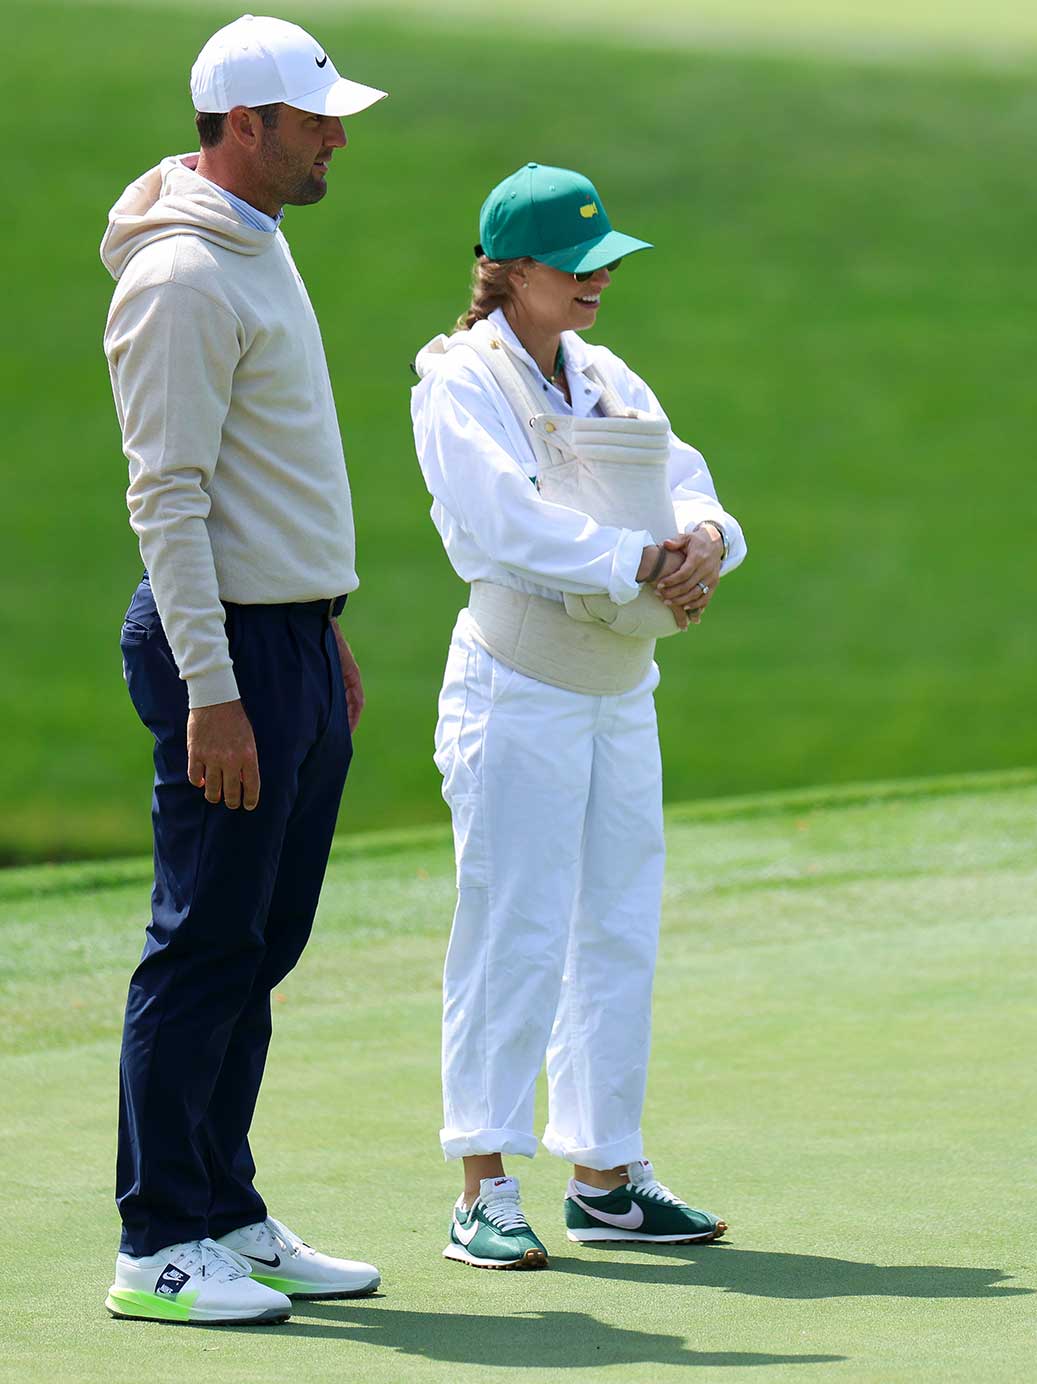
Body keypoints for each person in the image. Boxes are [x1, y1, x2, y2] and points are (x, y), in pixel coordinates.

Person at [99, 15, 387, 1325]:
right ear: (244, 126)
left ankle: (226, 1208)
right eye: (316, 120)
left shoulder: (259, 245)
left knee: (262, 941)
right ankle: (157, 1242)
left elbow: (268, 482)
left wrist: (319, 635)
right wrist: (217, 690)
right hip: (220, 650)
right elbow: (167, 500)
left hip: (288, 641)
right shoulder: (180, 280)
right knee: (204, 942)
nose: (337, 139)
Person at [410, 163, 746, 1270]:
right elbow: (500, 522)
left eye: (605, 260)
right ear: (507, 270)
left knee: (614, 924)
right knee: (513, 925)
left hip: (619, 689)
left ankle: (605, 1174)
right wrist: (638, 560)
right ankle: (483, 1184)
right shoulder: (458, 380)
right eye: (574, 262)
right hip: (517, 685)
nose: (597, 278)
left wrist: (701, 542)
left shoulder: (603, 374)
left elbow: (685, 478)